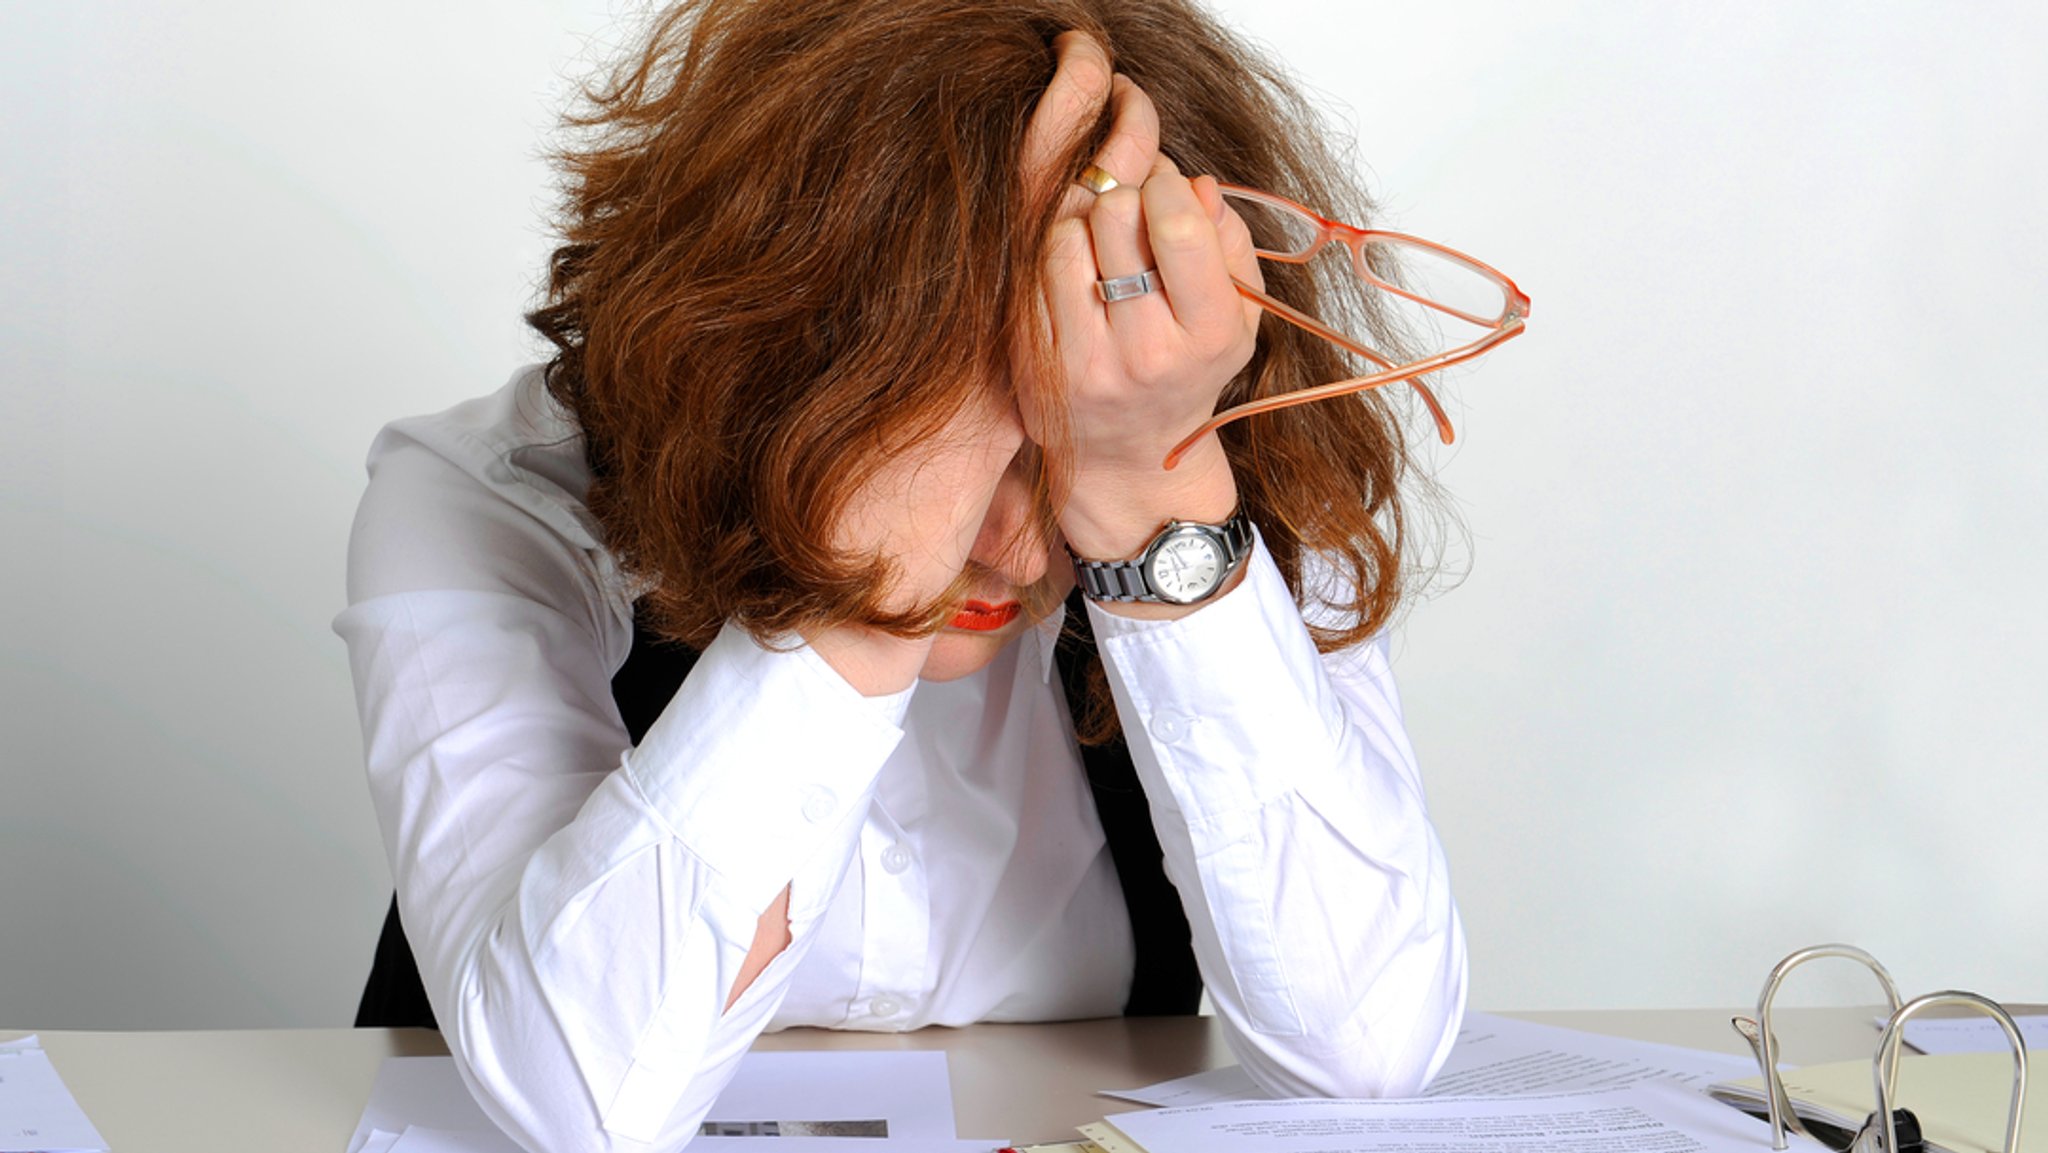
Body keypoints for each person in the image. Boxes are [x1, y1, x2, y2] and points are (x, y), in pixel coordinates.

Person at [335, 1, 1468, 1149]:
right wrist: (875, 572)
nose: (1018, 556)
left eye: (1059, 447)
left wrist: (1145, 496)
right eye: (968, 435)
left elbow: (1364, 1056)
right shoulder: (491, 495)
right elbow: (581, 1108)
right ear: (762, 362)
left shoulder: (1223, 464)